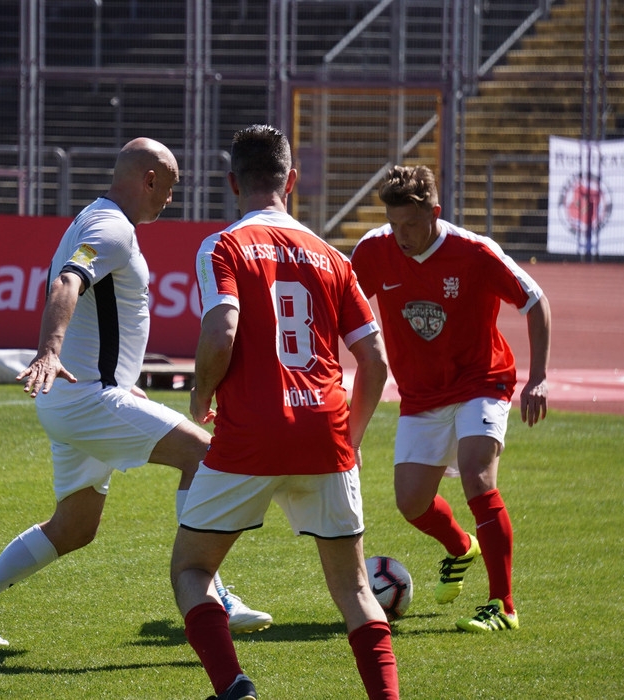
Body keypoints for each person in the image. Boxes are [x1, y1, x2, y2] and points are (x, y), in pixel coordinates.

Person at [0, 137, 270, 646]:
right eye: (171, 186)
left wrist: (121, 383)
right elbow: (67, 283)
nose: (171, 198)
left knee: (75, 527)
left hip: (80, 397)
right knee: (204, 456)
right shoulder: (111, 228)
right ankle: (214, 595)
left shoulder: (100, 220)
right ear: (149, 179)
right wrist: (49, 350)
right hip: (85, 397)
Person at [172, 125, 399, 700]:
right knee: (352, 589)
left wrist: (201, 393)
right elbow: (374, 361)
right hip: (325, 433)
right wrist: (354, 435)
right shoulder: (332, 256)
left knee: (192, 571)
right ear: (291, 181)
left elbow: (222, 330)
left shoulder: (223, 246)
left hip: (249, 435)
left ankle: (235, 688)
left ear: (232, 183)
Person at [350, 164, 551, 634]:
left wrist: (537, 378)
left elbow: (535, 300)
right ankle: (462, 547)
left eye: (412, 225)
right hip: (420, 395)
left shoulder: (474, 253)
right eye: (394, 224)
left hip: (482, 381)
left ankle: (502, 604)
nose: (401, 235)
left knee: (478, 478)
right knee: (411, 503)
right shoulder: (374, 251)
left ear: (435, 213)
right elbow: (344, 306)